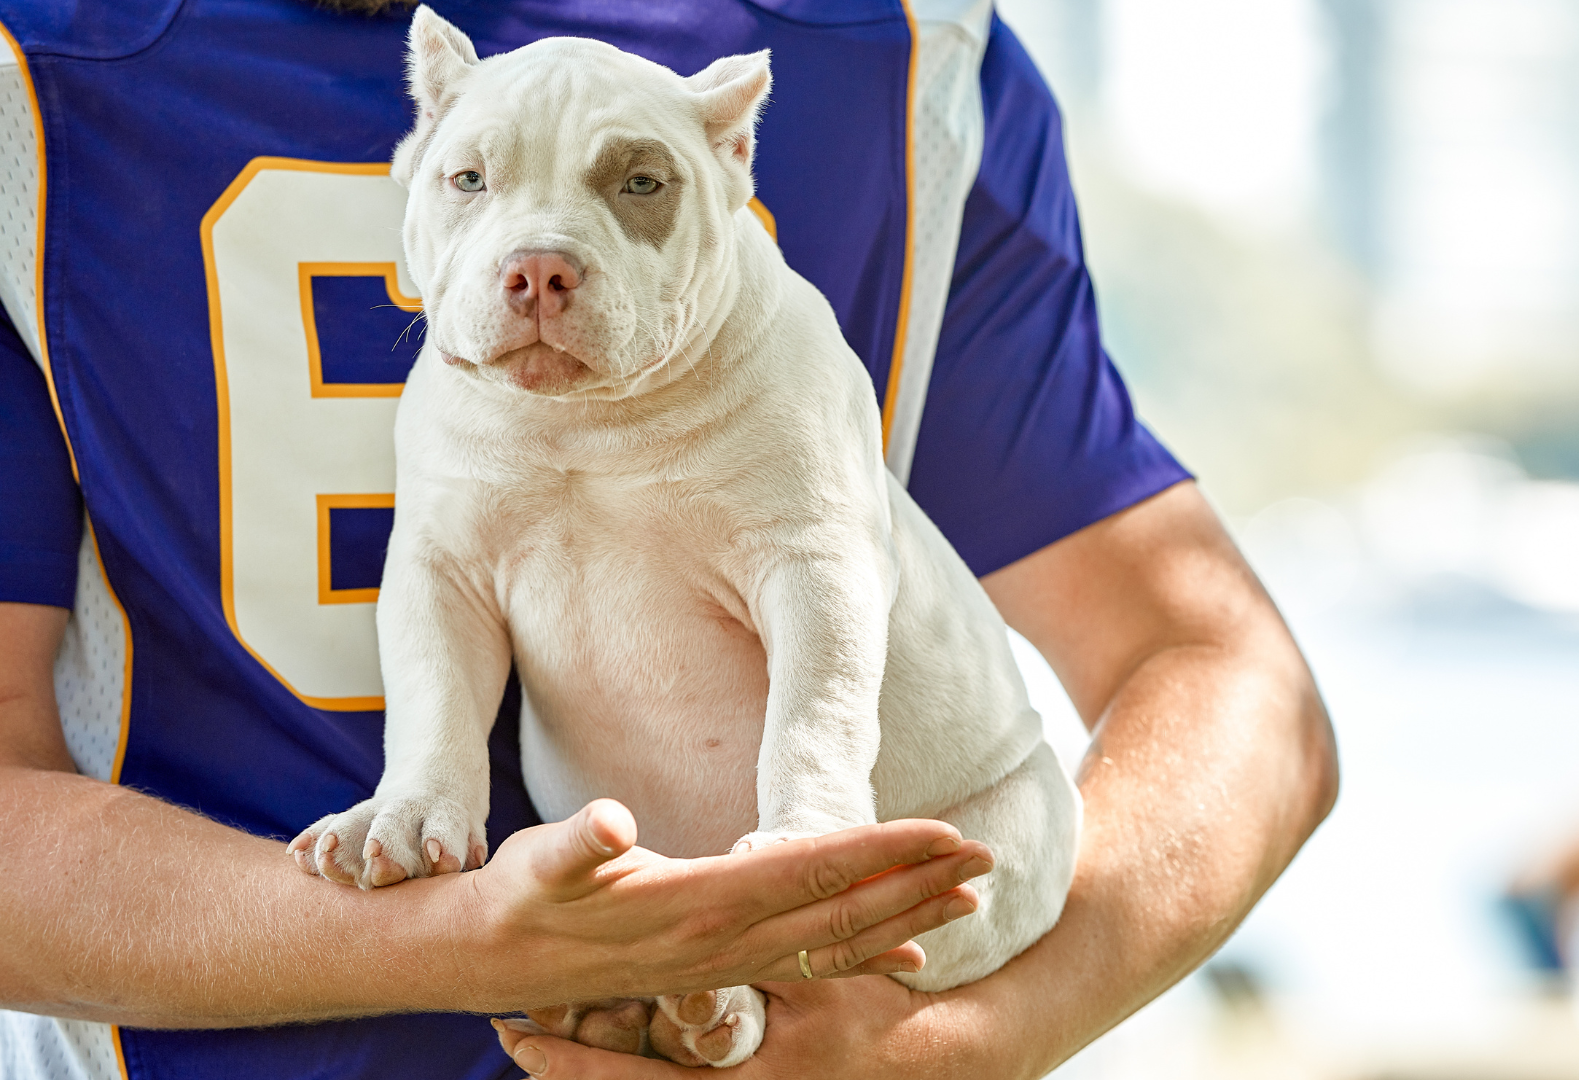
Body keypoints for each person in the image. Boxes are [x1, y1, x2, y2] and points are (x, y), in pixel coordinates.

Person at [0, 1, 1337, 1078]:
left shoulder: (907, 58)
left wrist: (955, 1041)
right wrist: (455, 944)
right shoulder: (28, 77)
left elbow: (1224, 675)